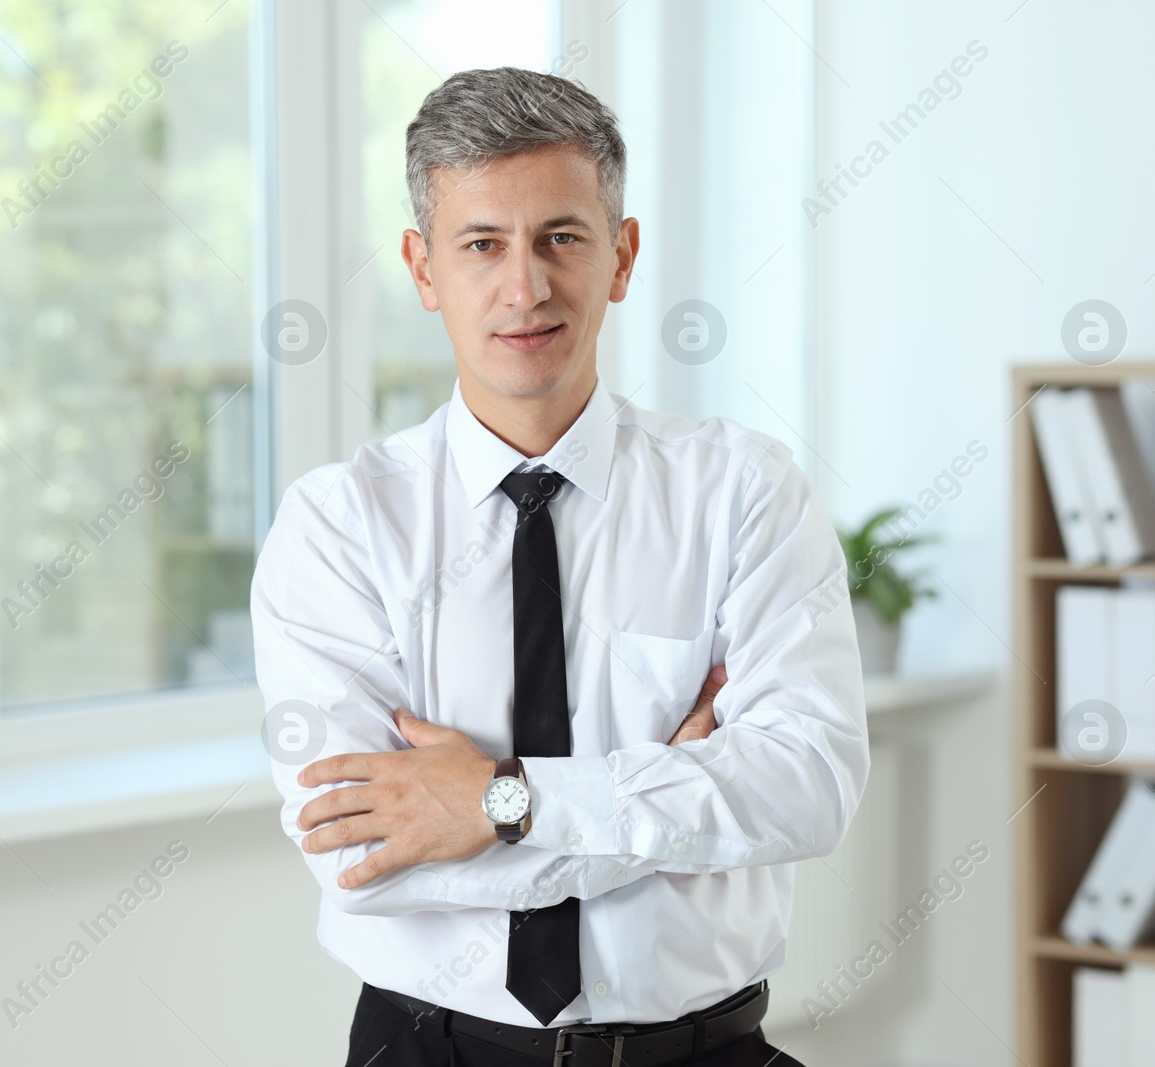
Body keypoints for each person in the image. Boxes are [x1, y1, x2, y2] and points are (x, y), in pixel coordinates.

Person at [249, 65, 868, 1067]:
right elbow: (365, 853)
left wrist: (497, 799)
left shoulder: (743, 491)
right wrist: (670, 795)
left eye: (561, 239)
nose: (524, 286)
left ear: (620, 256)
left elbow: (806, 784)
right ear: (422, 269)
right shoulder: (339, 525)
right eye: (482, 244)